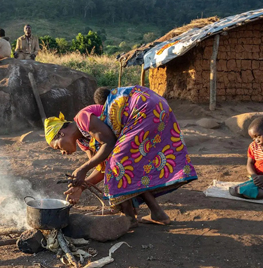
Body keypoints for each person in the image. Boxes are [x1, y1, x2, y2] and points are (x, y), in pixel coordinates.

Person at [44, 86, 198, 226]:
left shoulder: (82, 118)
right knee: (123, 166)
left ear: (61, 133)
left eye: (57, 147)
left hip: (145, 107)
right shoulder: (85, 142)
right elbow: (102, 169)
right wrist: (80, 187)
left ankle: (130, 219)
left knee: (117, 163)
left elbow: (109, 143)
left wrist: (83, 169)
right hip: (155, 106)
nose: (62, 152)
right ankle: (157, 214)